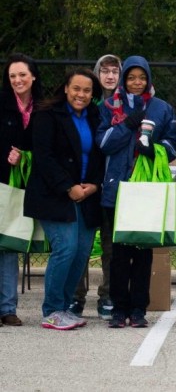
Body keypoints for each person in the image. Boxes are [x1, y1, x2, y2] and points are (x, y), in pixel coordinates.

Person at [97, 56, 176, 329]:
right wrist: (127, 125)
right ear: (123, 80)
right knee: (118, 253)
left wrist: (154, 150)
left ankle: (139, 309)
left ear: (148, 79)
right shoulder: (108, 106)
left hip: (146, 192)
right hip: (117, 190)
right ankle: (118, 308)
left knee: (144, 253)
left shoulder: (162, 108)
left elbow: (171, 144)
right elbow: (104, 143)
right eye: (131, 78)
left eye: (141, 78)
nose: (136, 82)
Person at [24, 69, 104, 330]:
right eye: (77, 89)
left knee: (81, 252)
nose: (81, 94)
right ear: (66, 89)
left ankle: (66, 307)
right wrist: (69, 188)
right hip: (54, 195)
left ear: (93, 94)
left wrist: (94, 185)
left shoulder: (95, 115)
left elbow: (100, 154)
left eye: (87, 90)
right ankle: (52, 310)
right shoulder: (47, 116)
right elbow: (44, 158)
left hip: (86, 194)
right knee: (66, 247)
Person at [69, 54, 122, 320]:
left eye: (115, 71)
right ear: (97, 73)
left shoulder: (126, 105)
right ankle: (76, 298)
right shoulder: (88, 105)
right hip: (89, 185)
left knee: (111, 246)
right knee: (82, 244)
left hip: (114, 187)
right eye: (105, 71)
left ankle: (108, 296)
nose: (110, 76)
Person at [0, 53, 43, 327]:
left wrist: (26, 157)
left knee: (9, 244)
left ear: (33, 76)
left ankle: (7, 308)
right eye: (12, 76)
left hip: (27, 185)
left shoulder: (43, 107)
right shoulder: (1, 104)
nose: (17, 80)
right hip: (2, 181)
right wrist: (7, 155)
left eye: (22, 75)